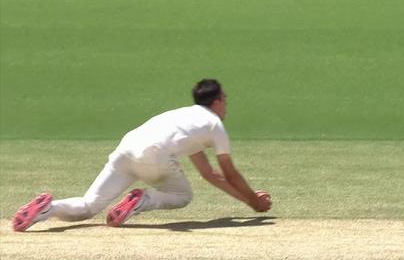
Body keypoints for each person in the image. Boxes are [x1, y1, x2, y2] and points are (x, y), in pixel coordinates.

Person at [13, 79, 272, 232]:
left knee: (88, 206)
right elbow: (227, 173)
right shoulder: (214, 125)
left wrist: (250, 203)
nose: (226, 105)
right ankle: (142, 200)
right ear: (216, 102)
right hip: (155, 155)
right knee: (183, 196)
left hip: (126, 148)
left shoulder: (183, 118)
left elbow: (209, 174)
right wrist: (253, 201)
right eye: (225, 100)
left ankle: (47, 208)